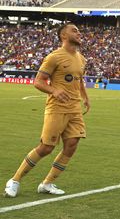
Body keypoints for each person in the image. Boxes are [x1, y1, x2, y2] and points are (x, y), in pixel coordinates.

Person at [4, 22, 90, 197]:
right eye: (75, 30)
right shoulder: (54, 57)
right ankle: (14, 180)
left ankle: (47, 183)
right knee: (46, 147)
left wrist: (85, 97)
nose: (79, 33)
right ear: (63, 36)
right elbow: (38, 81)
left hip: (74, 108)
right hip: (56, 107)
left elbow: (79, 80)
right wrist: (54, 90)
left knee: (72, 145)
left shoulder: (82, 58)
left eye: (79, 30)